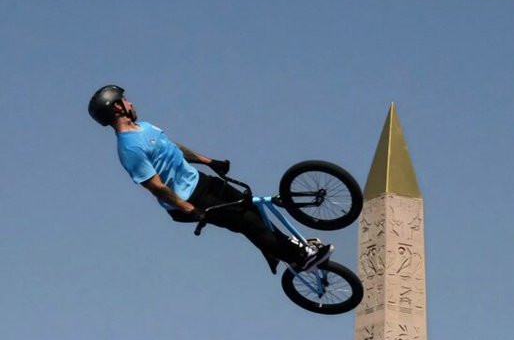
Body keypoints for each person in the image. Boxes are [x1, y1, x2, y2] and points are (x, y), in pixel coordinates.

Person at [87, 85, 332, 273]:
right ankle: (299, 260)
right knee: (248, 222)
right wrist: (190, 209)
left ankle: (287, 246)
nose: (130, 102)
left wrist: (210, 162)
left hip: (201, 181)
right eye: (125, 100)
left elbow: (174, 149)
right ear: (117, 108)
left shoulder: (145, 127)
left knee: (254, 208)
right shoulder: (129, 148)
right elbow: (156, 187)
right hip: (191, 200)